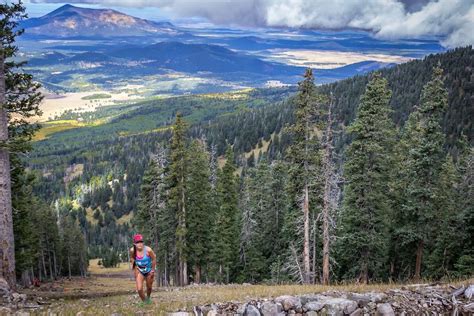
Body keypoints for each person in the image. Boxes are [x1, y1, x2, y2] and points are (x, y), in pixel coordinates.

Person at [129, 234, 156, 304]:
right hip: (140, 271)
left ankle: (148, 298)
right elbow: (132, 258)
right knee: (139, 289)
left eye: (141, 242)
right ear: (134, 244)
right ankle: (145, 302)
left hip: (149, 270)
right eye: (138, 242)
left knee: (149, 287)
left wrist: (153, 270)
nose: (140, 244)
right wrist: (134, 267)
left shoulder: (148, 250)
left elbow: (154, 259)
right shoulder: (132, 250)